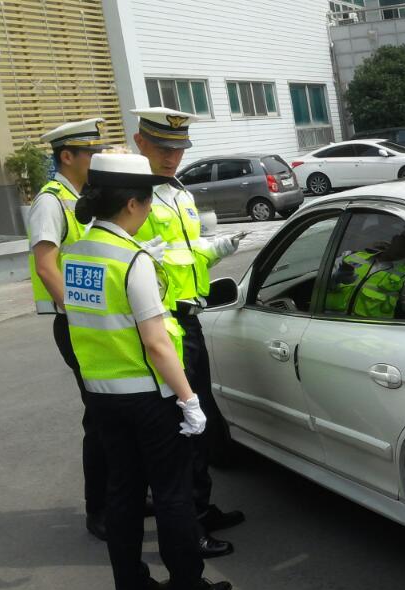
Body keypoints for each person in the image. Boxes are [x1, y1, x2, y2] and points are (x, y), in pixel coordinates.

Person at [62, 153, 232, 590]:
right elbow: (158, 344)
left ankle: (132, 587)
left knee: (124, 493)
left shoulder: (74, 253)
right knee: (173, 492)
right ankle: (188, 588)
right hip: (148, 399)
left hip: (101, 395)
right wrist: (189, 399)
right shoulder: (132, 260)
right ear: (134, 205)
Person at [130, 107, 245, 558]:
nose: (172, 157)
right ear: (140, 143)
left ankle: (201, 507)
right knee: (178, 429)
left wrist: (216, 249)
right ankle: (186, 530)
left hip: (189, 316)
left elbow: (185, 252)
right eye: (162, 148)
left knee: (200, 423)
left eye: (178, 149)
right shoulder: (132, 194)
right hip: (160, 321)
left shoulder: (176, 191)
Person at [28, 118, 108, 540]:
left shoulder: (85, 197)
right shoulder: (51, 202)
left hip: (100, 322)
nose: (97, 158)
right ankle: (99, 509)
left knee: (112, 413)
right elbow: (46, 266)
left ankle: (123, 493)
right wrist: (81, 315)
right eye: (91, 152)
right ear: (67, 156)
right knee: (99, 417)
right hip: (78, 324)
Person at [325, 230, 405, 319]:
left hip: (370, 333)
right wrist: (334, 279)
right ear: (395, 239)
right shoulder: (350, 256)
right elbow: (319, 284)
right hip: (330, 321)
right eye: (404, 244)